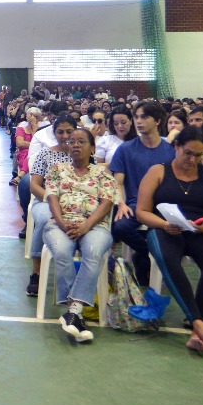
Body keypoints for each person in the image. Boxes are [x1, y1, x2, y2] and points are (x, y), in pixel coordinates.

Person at [136, 126, 203, 355]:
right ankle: (200, 323)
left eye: (198, 155)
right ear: (176, 146)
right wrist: (163, 224)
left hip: (202, 230)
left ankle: (196, 326)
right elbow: (141, 211)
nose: (192, 159)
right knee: (168, 259)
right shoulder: (158, 172)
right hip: (165, 228)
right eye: (188, 153)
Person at [42, 129, 116, 343]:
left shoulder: (103, 174)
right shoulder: (57, 170)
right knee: (63, 251)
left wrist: (85, 226)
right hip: (59, 224)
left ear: (92, 148)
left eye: (81, 141)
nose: (75, 145)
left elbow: (106, 204)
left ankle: (73, 311)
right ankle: (75, 313)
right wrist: (63, 223)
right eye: (71, 141)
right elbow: (52, 199)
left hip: (95, 225)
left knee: (92, 252)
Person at [109, 100, 174, 287]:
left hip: (164, 207)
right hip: (136, 205)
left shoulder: (170, 150)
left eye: (144, 117)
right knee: (120, 227)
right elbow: (118, 182)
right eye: (136, 117)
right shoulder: (125, 149)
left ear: (158, 120)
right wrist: (121, 204)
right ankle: (146, 256)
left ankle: (151, 259)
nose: (138, 121)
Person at [21, 116, 76, 296]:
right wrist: (53, 200)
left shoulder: (82, 155)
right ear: (55, 133)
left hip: (74, 203)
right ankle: (36, 273)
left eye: (69, 131)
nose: (65, 135)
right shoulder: (45, 154)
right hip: (44, 201)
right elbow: (34, 185)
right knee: (45, 219)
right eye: (60, 132)